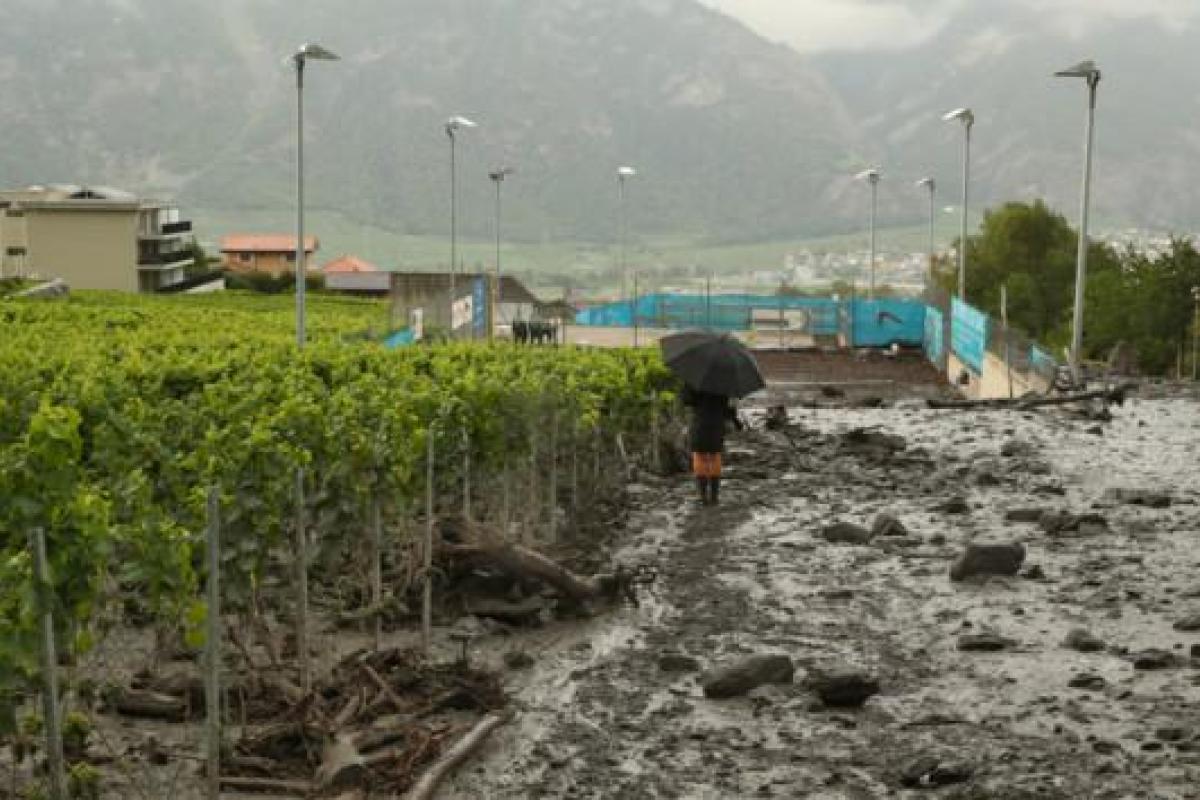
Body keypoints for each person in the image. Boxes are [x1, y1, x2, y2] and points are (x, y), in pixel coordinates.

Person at [681, 384, 743, 506]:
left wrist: (688, 386)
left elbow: (686, 400)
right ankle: (714, 497)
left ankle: (703, 496)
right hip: (717, 427)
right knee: (715, 458)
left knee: (700, 457)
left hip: (700, 424)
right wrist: (735, 419)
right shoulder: (723, 386)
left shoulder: (696, 383)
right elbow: (728, 412)